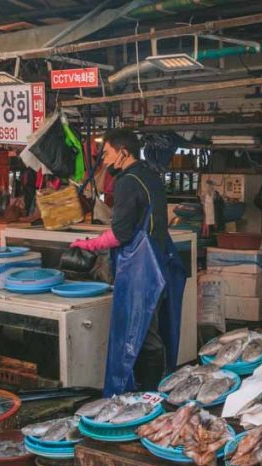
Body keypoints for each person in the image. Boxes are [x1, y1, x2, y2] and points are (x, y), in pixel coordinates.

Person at [72, 129, 185, 394]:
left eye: (108, 153)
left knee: (141, 332)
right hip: (159, 261)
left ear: (124, 152)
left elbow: (121, 233)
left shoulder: (126, 182)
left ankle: (146, 393)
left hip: (142, 267)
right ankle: (154, 389)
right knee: (150, 326)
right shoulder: (150, 175)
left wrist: (89, 244)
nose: (106, 159)